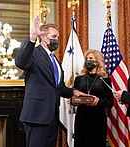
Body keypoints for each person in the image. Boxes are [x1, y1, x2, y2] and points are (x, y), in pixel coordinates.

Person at [15, 16, 86, 147]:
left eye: (58, 37)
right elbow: (21, 62)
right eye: (54, 36)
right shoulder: (34, 53)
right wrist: (31, 39)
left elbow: (58, 87)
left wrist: (73, 92)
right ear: (43, 37)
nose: (57, 40)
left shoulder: (55, 60)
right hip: (36, 116)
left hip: (52, 117)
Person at [73, 49, 114, 147]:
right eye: (86, 58)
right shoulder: (79, 79)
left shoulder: (105, 80)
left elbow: (110, 103)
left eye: (91, 58)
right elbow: (74, 95)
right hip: (81, 117)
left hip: (97, 119)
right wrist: (73, 100)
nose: (88, 60)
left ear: (97, 61)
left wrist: (98, 101)